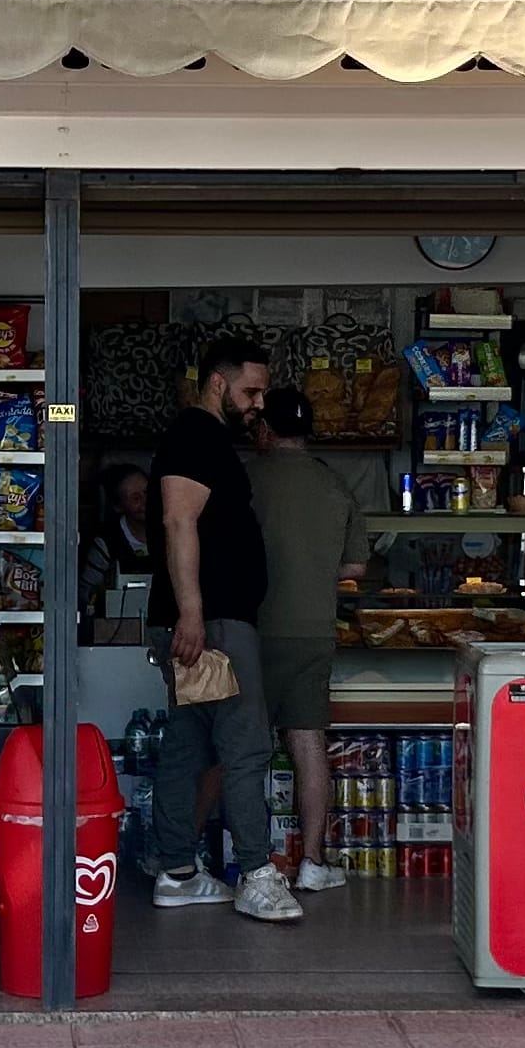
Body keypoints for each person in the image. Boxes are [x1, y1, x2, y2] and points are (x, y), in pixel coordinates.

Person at [146, 336, 296, 922]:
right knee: (245, 746)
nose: (258, 403)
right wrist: (192, 614)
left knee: (191, 745)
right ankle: (257, 875)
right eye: (250, 391)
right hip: (213, 626)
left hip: (205, 622)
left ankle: (178, 870)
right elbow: (178, 520)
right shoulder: (195, 434)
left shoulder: (206, 438)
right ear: (217, 382)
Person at [243, 386, 365, 891]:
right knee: (308, 745)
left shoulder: (243, 480)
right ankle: (313, 863)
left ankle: (224, 862)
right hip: (314, 631)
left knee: (237, 749)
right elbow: (356, 565)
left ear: (265, 429)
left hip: (250, 631)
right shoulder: (335, 486)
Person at [81, 461, 157, 616]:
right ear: (118, 506)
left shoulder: (173, 531)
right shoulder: (106, 543)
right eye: (136, 498)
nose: (145, 502)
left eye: (148, 493)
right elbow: (84, 594)